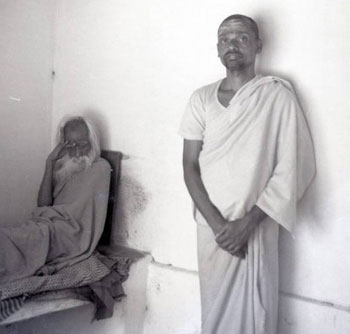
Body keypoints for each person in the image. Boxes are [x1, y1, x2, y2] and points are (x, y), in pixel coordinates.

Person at [179, 14, 316, 334]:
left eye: (241, 38)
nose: (233, 45)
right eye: (225, 38)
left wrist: (247, 224)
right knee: (213, 313)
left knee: (258, 314)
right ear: (217, 49)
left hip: (256, 225)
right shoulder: (200, 99)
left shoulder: (277, 96)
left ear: (258, 45)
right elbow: (189, 166)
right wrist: (219, 226)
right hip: (212, 230)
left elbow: (292, 166)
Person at [0, 116, 111, 283]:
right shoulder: (64, 166)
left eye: (82, 144)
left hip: (70, 234)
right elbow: (43, 205)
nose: (77, 152)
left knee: (11, 240)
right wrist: (50, 162)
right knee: (9, 237)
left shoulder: (100, 168)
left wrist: (52, 222)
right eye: (70, 145)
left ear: (92, 141)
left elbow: (81, 218)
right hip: (47, 226)